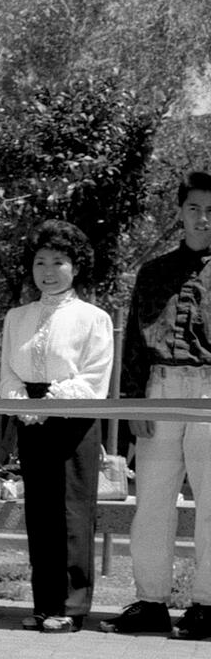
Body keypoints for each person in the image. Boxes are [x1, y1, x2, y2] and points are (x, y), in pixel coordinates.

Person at [101, 170, 211, 641]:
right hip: (160, 388)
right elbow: (135, 350)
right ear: (180, 211)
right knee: (152, 501)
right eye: (193, 208)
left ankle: (208, 605)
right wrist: (133, 402)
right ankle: (151, 602)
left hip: (210, 391)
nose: (202, 218)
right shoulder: (153, 272)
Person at [0, 220, 113, 634]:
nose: (48, 270)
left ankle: (72, 605)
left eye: (59, 262)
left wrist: (48, 403)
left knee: (71, 512)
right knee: (40, 513)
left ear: (76, 267)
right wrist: (21, 405)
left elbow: (95, 378)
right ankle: (44, 603)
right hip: (29, 421)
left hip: (73, 422)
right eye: (41, 261)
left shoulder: (94, 319)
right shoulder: (17, 317)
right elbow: (9, 373)